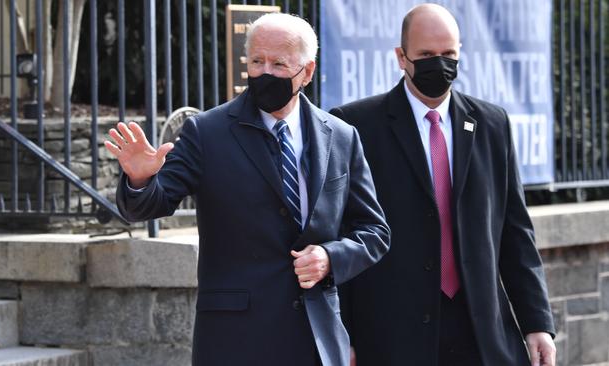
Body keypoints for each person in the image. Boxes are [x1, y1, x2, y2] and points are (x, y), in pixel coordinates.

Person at [105, 12, 389, 366]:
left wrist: (331, 257)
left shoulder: (342, 136)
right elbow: (150, 205)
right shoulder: (206, 132)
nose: (265, 72)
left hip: (316, 337)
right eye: (257, 61)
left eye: (279, 63)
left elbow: (374, 231)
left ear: (308, 71)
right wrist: (140, 180)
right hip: (235, 339)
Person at [330, 3, 556, 366]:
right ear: (401, 57)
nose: (440, 64)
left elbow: (515, 233)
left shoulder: (492, 124)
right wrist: (344, 334)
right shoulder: (356, 126)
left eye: (449, 54)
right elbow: (341, 234)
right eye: (426, 55)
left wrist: (537, 323)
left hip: (480, 331)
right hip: (392, 334)